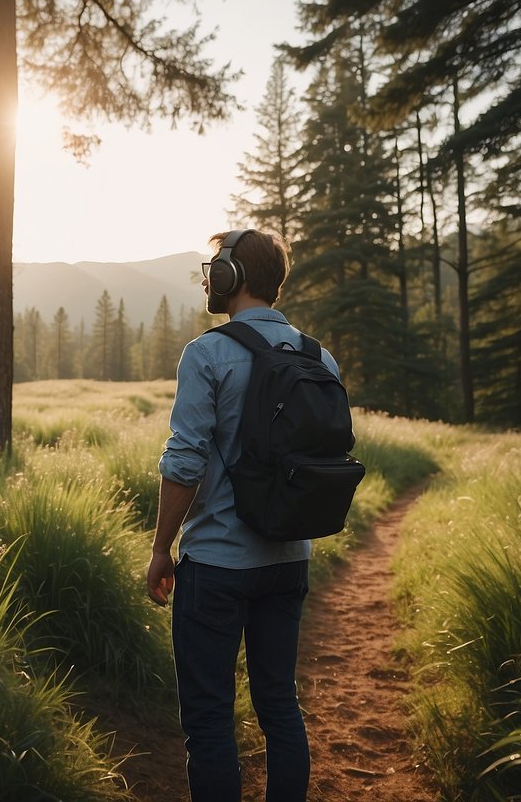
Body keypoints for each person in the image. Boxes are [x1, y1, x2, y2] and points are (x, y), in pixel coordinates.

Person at [147, 228, 342, 802]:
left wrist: (162, 548)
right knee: (280, 704)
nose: (208, 277)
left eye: (213, 267)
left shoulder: (207, 353)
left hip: (217, 566)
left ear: (233, 277)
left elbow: (184, 463)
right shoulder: (318, 356)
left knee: (208, 718)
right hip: (289, 561)